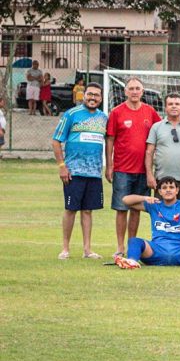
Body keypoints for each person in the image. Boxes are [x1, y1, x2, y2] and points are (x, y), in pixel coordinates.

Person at [51, 82, 108, 260]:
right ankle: (65, 248)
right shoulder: (71, 114)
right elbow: (56, 141)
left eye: (96, 95)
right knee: (70, 209)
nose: (92, 98)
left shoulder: (104, 118)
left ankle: (87, 250)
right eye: (89, 94)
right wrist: (62, 166)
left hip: (94, 172)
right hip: (73, 171)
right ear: (84, 95)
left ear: (101, 98)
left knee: (88, 210)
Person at [106, 77, 162, 257]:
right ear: (125, 91)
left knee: (136, 209)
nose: (135, 91)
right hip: (122, 169)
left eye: (138, 88)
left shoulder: (150, 112)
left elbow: (164, 128)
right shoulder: (117, 112)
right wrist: (109, 165)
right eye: (131, 88)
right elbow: (110, 140)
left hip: (143, 170)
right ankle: (120, 247)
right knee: (121, 208)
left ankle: (132, 245)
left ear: (142, 91)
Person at [145, 93, 180, 202]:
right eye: (170, 104)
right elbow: (149, 152)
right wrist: (150, 175)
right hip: (161, 180)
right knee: (161, 215)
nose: (174, 106)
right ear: (165, 107)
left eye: (177, 104)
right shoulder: (156, 127)